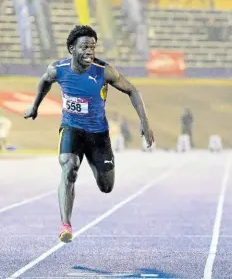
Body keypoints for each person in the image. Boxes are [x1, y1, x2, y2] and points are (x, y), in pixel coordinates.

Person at [24, 25, 155, 243]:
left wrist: (145, 121)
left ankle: (99, 168)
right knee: (68, 168)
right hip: (71, 128)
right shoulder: (59, 69)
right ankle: (65, 225)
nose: (90, 51)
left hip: (98, 134)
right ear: (71, 49)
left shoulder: (104, 71)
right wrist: (35, 106)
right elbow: (44, 81)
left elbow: (132, 89)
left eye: (93, 47)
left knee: (106, 186)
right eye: (84, 46)